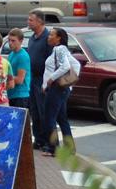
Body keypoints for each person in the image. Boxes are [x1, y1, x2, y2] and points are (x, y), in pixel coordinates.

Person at [41, 28, 79, 156]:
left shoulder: (59, 49)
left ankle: (53, 148)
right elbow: (76, 65)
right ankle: (69, 148)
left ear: (58, 38)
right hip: (61, 89)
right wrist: (69, 82)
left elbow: (66, 66)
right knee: (62, 118)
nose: (48, 37)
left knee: (49, 117)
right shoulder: (61, 50)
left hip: (56, 89)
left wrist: (52, 79)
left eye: (51, 35)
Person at [25, 10, 51, 150]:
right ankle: (39, 139)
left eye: (31, 20)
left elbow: (51, 62)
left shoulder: (48, 38)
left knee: (43, 111)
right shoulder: (32, 38)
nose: (28, 22)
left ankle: (48, 141)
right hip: (32, 79)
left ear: (40, 21)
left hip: (42, 80)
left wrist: (46, 82)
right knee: (34, 111)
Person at [6, 28, 31, 111]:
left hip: (20, 96)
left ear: (21, 41)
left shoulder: (23, 56)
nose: (10, 43)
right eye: (9, 40)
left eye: (13, 41)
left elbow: (20, 80)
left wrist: (2, 77)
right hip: (11, 94)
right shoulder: (11, 54)